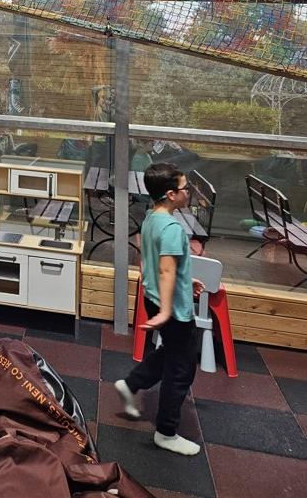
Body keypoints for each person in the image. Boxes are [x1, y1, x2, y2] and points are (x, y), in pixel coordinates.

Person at [114, 162, 204, 456]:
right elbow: (165, 270)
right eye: (185, 188)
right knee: (181, 370)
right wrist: (167, 310)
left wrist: (186, 280)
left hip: (152, 297)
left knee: (172, 353)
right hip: (173, 309)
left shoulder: (151, 218)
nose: (188, 192)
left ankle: (132, 383)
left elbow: (158, 264)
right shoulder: (173, 229)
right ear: (170, 194)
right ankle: (166, 433)